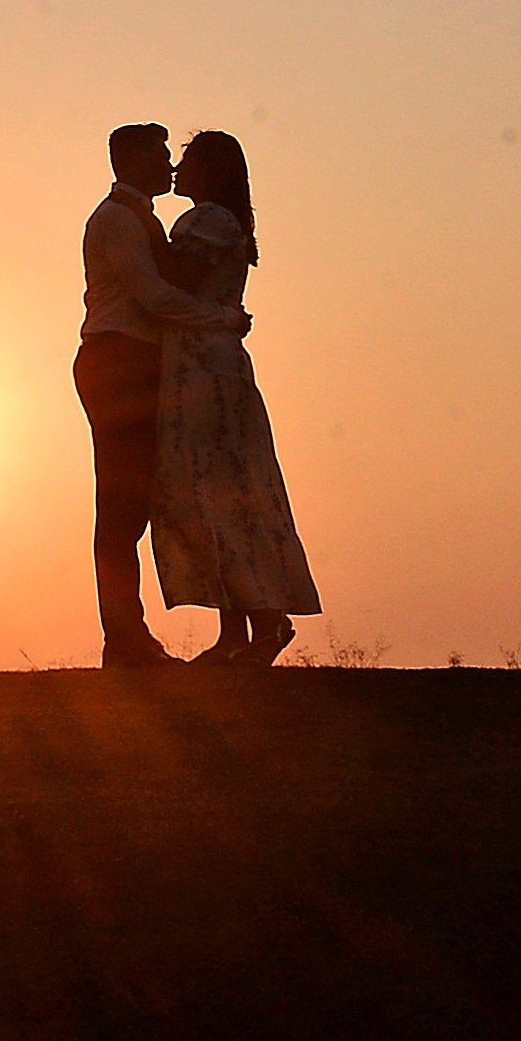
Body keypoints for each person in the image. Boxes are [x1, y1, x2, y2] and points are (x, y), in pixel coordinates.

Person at [74, 123, 251, 669]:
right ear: (128, 159)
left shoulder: (143, 220)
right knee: (122, 508)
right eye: (159, 155)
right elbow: (153, 298)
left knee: (141, 503)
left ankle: (132, 637)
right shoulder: (118, 221)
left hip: (140, 363)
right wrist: (223, 319)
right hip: (118, 361)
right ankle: (124, 639)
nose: (169, 166)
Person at [151, 128, 320, 667]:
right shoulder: (223, 223)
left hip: (204, 367)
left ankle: (263, 623)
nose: (178, 168)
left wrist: (144, 245)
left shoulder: (208, 223)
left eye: (189, 160)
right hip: (204, 361)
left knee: (216, 490)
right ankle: (238, 631)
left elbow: (174, 282)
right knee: (219, 494)